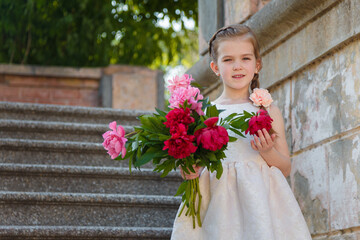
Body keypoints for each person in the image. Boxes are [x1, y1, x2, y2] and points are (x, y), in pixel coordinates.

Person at [170, 24, 312, 240]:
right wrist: (191, 170)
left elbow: (284, 167)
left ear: (257, 65)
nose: (237, 66)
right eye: (228, 60)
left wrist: (267, 151)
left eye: (245, 58)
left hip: (260, 202)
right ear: (215, 67)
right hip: (217, 203)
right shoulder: (204, 113)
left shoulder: (268, 110)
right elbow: (189, 170)